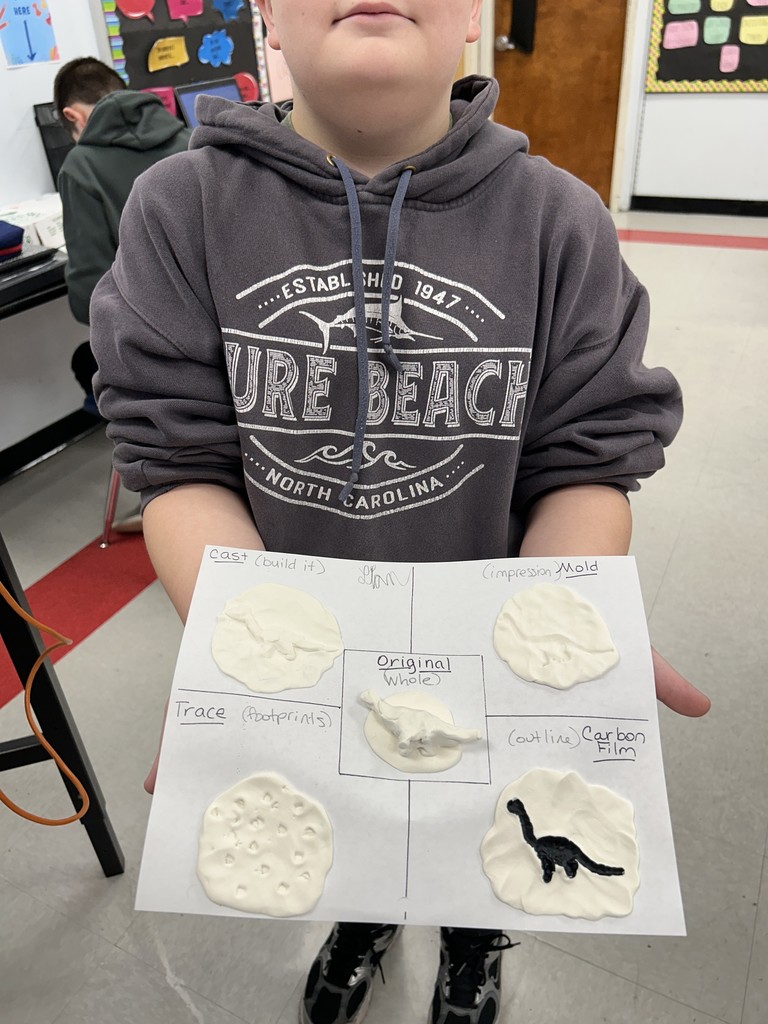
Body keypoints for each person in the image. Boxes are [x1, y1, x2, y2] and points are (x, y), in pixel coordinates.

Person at [90, 2, 711, 1022]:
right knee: (363, 826)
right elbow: (180, 459)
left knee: (483, 818)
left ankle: (474, 938)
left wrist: (569, 633)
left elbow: (587, 459)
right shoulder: (177, 208)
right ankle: (365, 914)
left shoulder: (562, 220)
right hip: (310, 657)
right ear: (268, 20)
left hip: (489, 660)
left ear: (473, 15)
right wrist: (241, 670)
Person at [53, 57, 191, 409]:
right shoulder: (193, 139)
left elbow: (89, 299)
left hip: (156, 354)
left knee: (84, 360)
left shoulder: (80, 166)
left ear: (74, 117)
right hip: (222, 336)